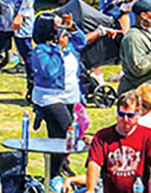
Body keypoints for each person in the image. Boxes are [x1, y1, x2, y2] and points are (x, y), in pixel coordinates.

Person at [31, 12, 113, 177]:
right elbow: (50, 71)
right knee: (69, 132)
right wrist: (59, 50)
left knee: (58, 137)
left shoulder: (67, 43)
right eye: (58, 26)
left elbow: (81, 41)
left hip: (69, 95)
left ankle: (60, 167)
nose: (62, 29)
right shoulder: (41, 50)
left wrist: (72, 26)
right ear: (48, 30)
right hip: (49, 98)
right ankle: (53, 174)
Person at [63, 90, 151, 193]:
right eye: (122, 114)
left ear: (138, 113)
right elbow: (94, 164)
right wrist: (90, 189)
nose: (125, 119)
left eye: (130, 116)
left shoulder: (148, 135)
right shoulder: (102, 137)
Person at [118, 0, 151, 98]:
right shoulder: (133, 38)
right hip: (139, 100)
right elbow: (138, 68)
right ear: (144, 15)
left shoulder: (148, 33)